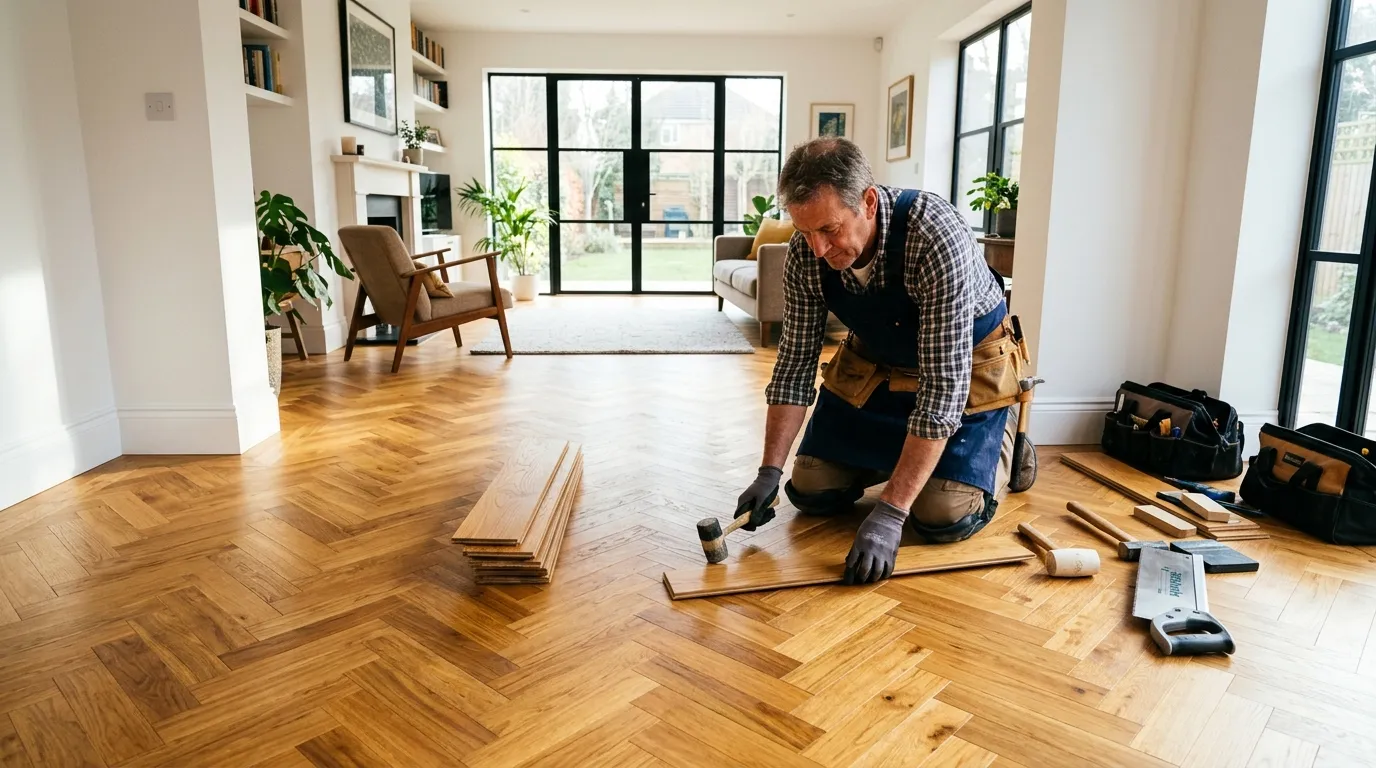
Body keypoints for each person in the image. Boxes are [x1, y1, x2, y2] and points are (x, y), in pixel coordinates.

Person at [735, 137, 1028, 585]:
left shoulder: (935, 235)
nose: (817, 249)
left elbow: (942, 388)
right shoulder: (806, 251)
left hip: (968, 375)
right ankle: (907, 466)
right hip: (880, 369)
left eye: (829, 229)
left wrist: (891, 512)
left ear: (868, 202)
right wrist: (768, 472)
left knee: (941, 515)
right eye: (805, 232)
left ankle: (1006, 440)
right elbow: (794, 365)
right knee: (810, 488)